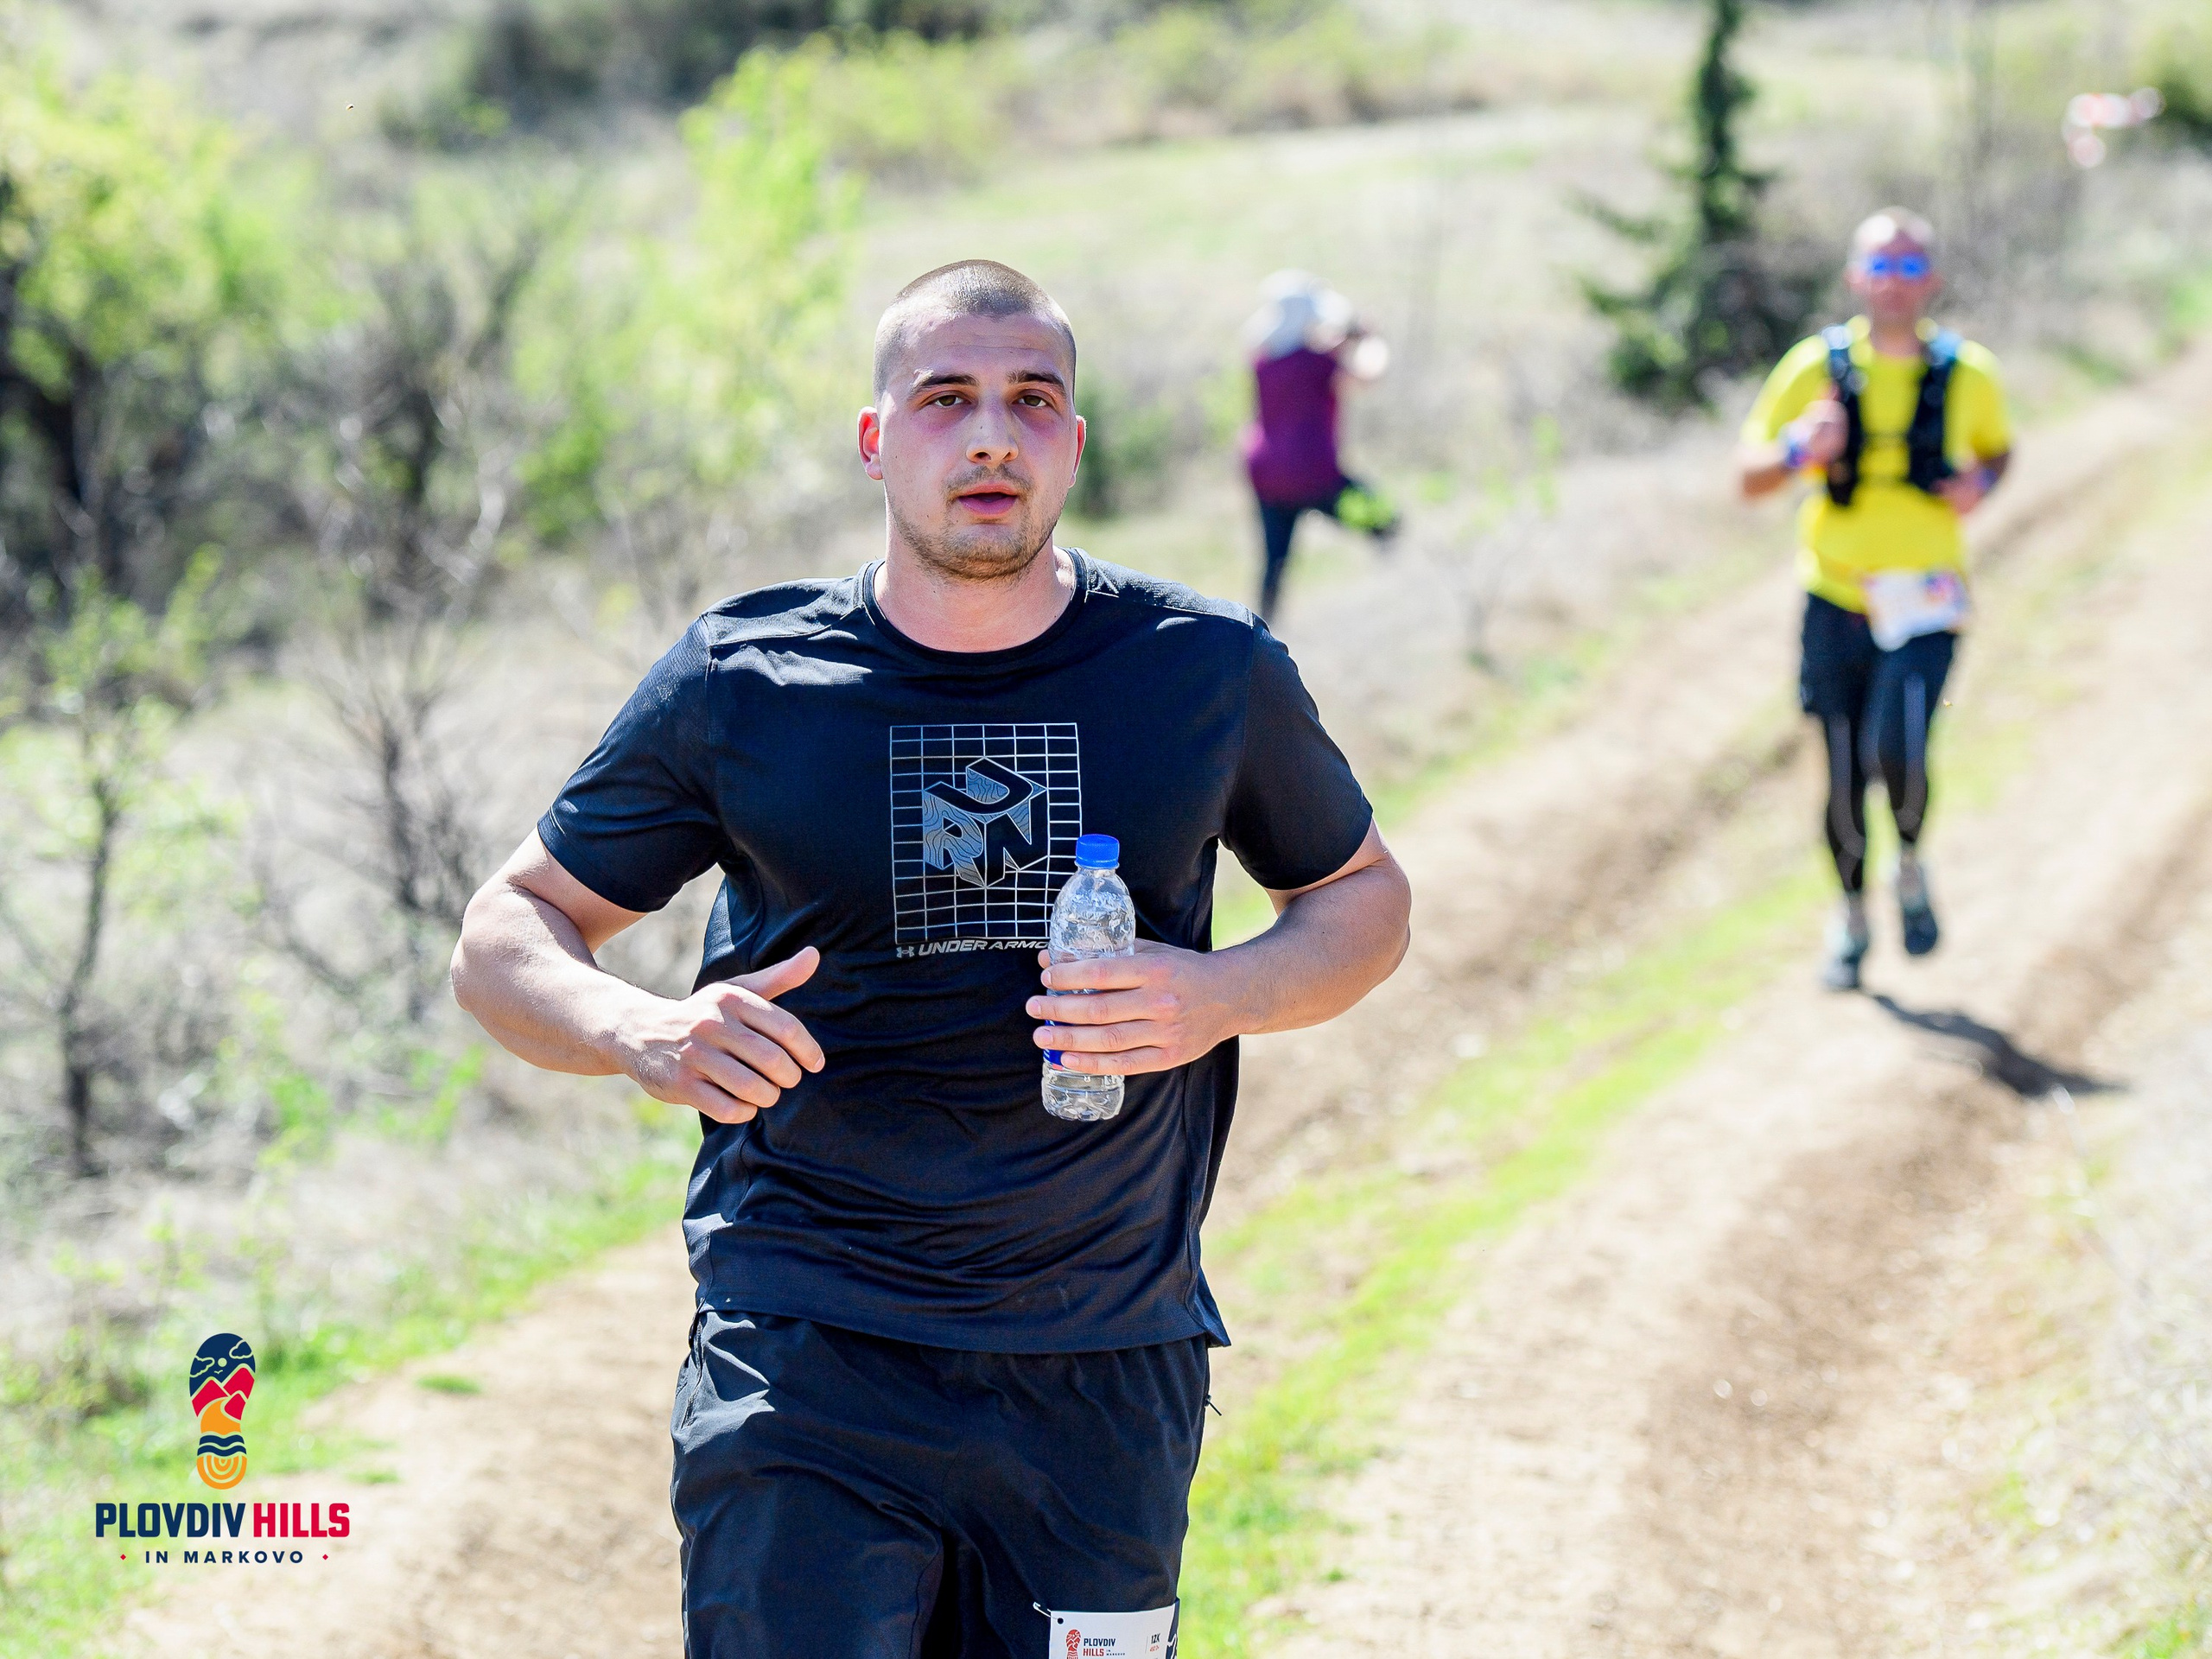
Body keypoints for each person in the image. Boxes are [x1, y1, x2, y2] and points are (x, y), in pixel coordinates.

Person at [450, 259, 1412, 1657]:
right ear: (875, 437)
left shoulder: (1203, 670)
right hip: (807, 1342)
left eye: (1033, 401)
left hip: (1103, 1357)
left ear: (1074, 443)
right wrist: (634, 1028)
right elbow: (507, 931)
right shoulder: (745, 679)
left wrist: (1222, 993)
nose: (990, 436)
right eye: (946, 397)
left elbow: (1361, 898)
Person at [1738, 208, 2012, 992]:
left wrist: (1980, 484)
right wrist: (1801, 449)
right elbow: (1747, 478)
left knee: (1899, 752)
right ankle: (1853, 917)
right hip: (1835, 597)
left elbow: (1999, 451)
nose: (1894, 284)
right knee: (1843, 776)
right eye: (1879, 268)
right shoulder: (1813, 368)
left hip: (1926, 601)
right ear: (1857, 278)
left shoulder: (1970, 373)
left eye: (1908, 267)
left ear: (1932, 279)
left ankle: (1913, 868)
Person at [1241, 270, 1399, 621]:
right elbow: (1369, 374)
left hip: (1265, 472)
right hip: (1313, 474)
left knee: (1274, 561)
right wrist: (1373, 339)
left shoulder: (1263, 361)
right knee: (1385, 521)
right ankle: (1396, 598)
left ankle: (1262, 633)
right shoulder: (1317, 364)